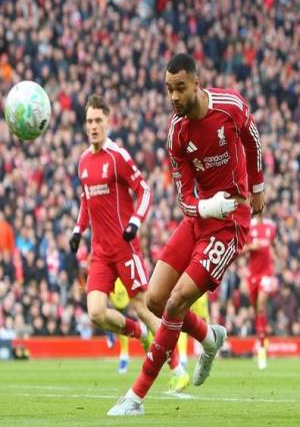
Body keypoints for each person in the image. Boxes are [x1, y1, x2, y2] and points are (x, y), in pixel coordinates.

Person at [107, 53, 265, 416]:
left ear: (197, 83)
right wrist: (208, 207)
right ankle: (210, 337)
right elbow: (184, 198)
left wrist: (257, 187)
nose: (174, 97)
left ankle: (135, 396)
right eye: (168, 90)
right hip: (200, 220)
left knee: (177, 301)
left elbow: (252, 139)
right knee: (155, 300)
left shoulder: (230, 106)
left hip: (230, 225)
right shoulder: (176, 133)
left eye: (180, 88)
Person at [70, 94, 189, 391]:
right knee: (96, 312)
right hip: (100, 252)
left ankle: (178, 368)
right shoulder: (83, 161)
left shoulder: (118, 156)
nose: (93, 126)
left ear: (108, 122)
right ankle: (140, 335)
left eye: (98, 120)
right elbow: (86, 200)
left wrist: (135, 222)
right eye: (89, 121)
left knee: (144, 306)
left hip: (124, 247)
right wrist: (77, 230)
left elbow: (145, 190)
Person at [242, 214, 277, 369]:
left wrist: (277, 263)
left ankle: (262, 350)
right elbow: (240, 250)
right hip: (252, 275)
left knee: (261, 305)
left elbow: (274, 247)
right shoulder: (249, 226)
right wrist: (251, 247)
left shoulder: (271, 227)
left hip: (266, 274)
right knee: (256, 310)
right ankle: (261, 338)